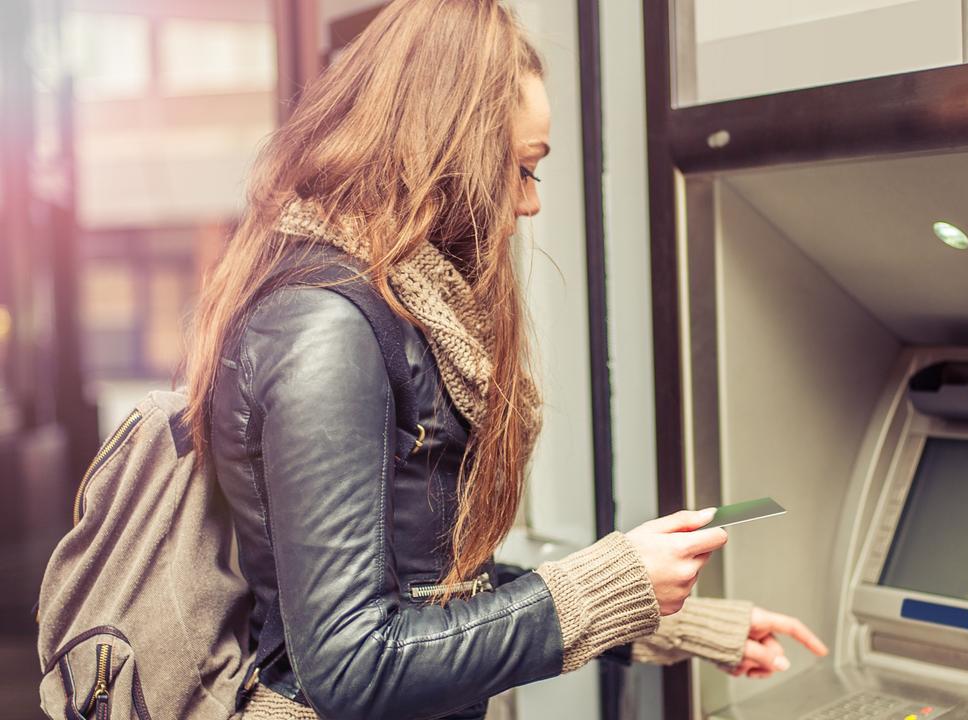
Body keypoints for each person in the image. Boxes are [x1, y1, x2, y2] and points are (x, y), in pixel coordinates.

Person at [182, 1, 826, 718]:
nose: (529, 204)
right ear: (448, 157)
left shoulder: (383, 310)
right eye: (523, 170)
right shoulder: (327, 325)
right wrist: (611, 583)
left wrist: (674, 621)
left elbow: (432, 589)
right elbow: (350, 661)